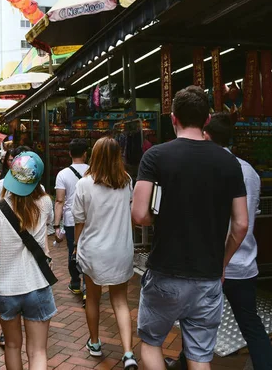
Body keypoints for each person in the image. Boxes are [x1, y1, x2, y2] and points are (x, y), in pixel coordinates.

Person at [132, 86, 249, 370]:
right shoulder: (229, 162)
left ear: (173, 118)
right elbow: (241, 224)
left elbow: (139, 214)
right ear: (207, 119)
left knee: (151, 343)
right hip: (208, 275)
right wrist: (222, 263)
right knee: (199, 355)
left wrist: (160, 218)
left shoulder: (155, 157)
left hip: (165, 271)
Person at [165, 113, 272, 370]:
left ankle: (185, 363)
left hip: (208, 263)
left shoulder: (204, 168)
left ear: (206, 135)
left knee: (194, 320)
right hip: (244, 263)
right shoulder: (250, 172)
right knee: (251, 324)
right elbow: (247, 219)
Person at [0, 152, 56, 370]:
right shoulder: (46, 203)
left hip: (4, 289)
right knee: (38, 351)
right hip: (37, 285)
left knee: (11, 346)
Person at [72, 137, 137, 369]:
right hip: (121, 249)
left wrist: (75, 244)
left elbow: (79, 220)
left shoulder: (84, 184)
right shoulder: (126, 181)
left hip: (93, 250)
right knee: (120, 301)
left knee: (93, 297)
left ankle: (96, 342)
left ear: (94, 155)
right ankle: (128, 352)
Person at [54, 139, 89, 297]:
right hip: (90, 219)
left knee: (73, 251)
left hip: (70, 220)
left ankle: (75, 282)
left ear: (69, 153)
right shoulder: (93, 172)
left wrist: (56, 225)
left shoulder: (62, 174)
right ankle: (89, 284)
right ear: (85, 154)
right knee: (88, 250)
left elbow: (59, 201)